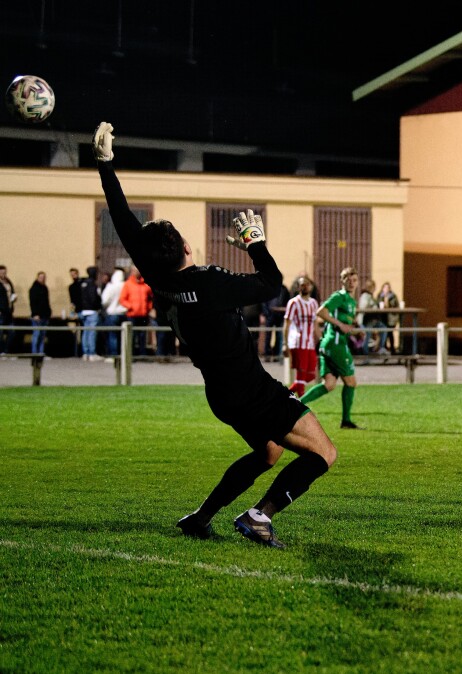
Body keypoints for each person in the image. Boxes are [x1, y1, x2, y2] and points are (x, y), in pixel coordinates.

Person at [94, 121, 337, 549]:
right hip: (252, 390)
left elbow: (123, 219)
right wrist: (255, 243)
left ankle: (201, 517)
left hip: (221, 394)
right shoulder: (207, 283)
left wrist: (105, 166)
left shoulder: (155, 273)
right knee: (324, 454)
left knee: (268, 453)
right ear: (186, 248)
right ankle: (259, 516)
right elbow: (271, 284)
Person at [300, 267, 366, 429]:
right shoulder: (339, 297)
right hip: (335, 345)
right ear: (342, 281)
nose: (351, 283)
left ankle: (296, 405)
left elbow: (343, 323)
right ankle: (346, 420)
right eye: (347, 279)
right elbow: (321, 312)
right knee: (351, 382)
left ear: (357, 282)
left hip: (331, 344)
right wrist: (341, 325)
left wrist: (355, 331)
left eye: (354, 280)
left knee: (329, 384)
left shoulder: (351, 301)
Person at [283, 276, 320, 396]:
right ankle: (301, 404)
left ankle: (283, 396)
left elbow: (315, 324)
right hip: (298, 342)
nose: (305, 286)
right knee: (301, 375)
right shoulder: (293, 303)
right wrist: (285, 344)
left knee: (310, 375)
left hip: (309, 344)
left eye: (307, 284)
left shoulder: (314, 303)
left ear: (311, 286)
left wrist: (320, 339)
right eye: (302, 284)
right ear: (298, 287)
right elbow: (287, 324)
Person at [120, 266, 153, 356]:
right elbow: (122, 299)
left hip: (143, 314)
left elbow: (151, 298)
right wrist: (130, 306)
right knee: (132, 335)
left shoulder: (146, 284)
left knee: (142, 335)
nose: (136, 272)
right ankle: (132, 354)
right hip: (132, 315)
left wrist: (148, 308)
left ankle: (142, 354)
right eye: (134, 270)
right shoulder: (128, 284)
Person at [100, 267, 127, 357]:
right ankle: (123, 354)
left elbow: (104, 301)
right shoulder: (126, 285)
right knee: (123, 335)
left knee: (112, 335)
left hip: (112, 313)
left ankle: (113, 355)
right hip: (124, 313)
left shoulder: (110, 286)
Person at [357, 278, 388, 356]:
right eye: (374, 287)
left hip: (373, 320)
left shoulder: (370, 296)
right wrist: (372, 307)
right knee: (367, 336)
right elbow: (363, 307)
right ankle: (365, 355)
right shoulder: (365, 296)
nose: (375, 289)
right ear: (370, 287)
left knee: (384, 328)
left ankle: (381, 347)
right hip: (366, 320)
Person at [79, 265, 102, 361]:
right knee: (92, 332)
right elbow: (94, 298)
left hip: (84, 310)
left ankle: (85, 352)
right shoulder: (92, 284)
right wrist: (98, 305)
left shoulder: (83, 283)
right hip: (92, 310)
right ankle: (92, 353)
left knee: (86, 332)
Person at [28, 271, 51, 354]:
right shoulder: (34, 289)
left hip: (45, 315)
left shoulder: (45, 288)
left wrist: (49, 312)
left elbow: (47, 302)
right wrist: (35, 314)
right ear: (37, 278)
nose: (42, 279)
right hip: (37, 316)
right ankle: (34, 353)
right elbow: (32, 303)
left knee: (42, 335)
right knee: (36, 334)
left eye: (44, 277)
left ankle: (41, 352)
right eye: (41, 277)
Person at [377, 281, 400, 353]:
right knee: (383, 332)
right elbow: (377, 304)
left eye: (388, 288)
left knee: (390, 333)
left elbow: (396, 306)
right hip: (382, 317)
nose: (386, 289)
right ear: (382, 288)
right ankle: (383, 347)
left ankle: (392, 348)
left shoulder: (393, 296)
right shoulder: (380, 296)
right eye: (385, 287)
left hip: (391, 317)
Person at [0, 265, 16, 354]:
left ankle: (6, 351)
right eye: (2, 273)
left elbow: (12, 292)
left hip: (9, 311)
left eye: (4, 272)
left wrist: (14, 297)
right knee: (0, 333)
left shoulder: (8, 281)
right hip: (1, 311)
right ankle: (1, 351)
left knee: (12, 332)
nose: (3, 274)